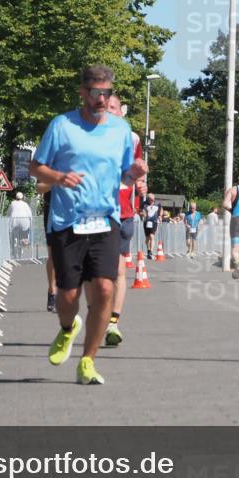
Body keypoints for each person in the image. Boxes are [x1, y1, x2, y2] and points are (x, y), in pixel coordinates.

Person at [30, 65, 147, 385]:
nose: (101, 99)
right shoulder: (61, 126)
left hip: (105, 219)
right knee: (68, 296)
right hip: (68, 222)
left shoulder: (121, 130)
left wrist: (134, 173)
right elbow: (35, 166)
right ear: (82, 92)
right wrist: (58, 177)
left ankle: (87, 361)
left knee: (105, 289)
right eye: (95, 92)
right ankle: (68, 329)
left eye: (106, 93)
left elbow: (125, 174)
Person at [103, 93, 146, 347]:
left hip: (124, 213)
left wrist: (140, 184)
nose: (109, 111)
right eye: (105, 107)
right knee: (98, 274)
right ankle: (99, 314)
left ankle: (113, 323)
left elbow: (138, 169)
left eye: (114, 107)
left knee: (118, 271)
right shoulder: (90, 137)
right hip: (96, 212)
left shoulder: (133, 139)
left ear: (121, 112)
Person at [38, 186, 57, 311]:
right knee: (54, 254)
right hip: (52, 210)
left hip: (75, 210)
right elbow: (40, 188)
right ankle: (52, 292)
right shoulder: (50, 165)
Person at [6, 192, 33, 260]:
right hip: (24, 222)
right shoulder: (25, 204)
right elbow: (30, 215)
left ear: (16, 197)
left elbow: (8, 213)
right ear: (22, 198)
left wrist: (7, 219)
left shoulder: (12, 203)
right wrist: (30, 224)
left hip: (14, 221)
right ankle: (21, 247)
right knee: (23, 237)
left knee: (13, 236)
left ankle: (14, 248)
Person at [141, 194, 161, 258]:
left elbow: (161, 211)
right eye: (150, 200)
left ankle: (151, 251)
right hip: (146, 222)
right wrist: (143, 214)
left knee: (152, 236)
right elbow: (140, 211)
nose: (152, 201)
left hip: (154, 222)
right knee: (147, 238)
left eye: (153, 200)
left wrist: (160, 216)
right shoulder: (144, 204)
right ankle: (148, 250)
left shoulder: (158, 203)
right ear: (147, 199)